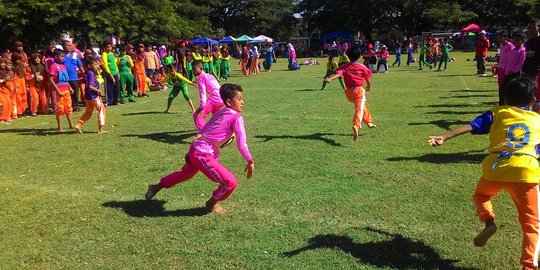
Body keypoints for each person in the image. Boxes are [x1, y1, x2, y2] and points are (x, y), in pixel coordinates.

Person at [427, 77, 540, 270]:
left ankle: (489, 222)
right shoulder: (537, 119)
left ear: (504, 98)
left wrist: (444, 136)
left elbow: (471, 126)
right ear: (532, 101)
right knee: (532, 224)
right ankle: (529, 266)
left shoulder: (497, 113)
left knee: (481, 195)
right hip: (525, 171)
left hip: (494, 168)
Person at [145, 83, 255, 214]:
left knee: (185, 174)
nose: (243, 102)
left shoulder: (222, 112)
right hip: (203, 153)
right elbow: (242, 143)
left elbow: (207, 128)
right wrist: (250, 160)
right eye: (240, 99)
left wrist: (195, 147)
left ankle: (155, 188)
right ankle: (211, 203)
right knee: (230, 182)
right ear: (229, 101)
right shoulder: (236, 117)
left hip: (197, 149)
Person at [324, 45, 376, 141]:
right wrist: (368, 86)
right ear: (360, 56)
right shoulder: (362, 67)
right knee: (359, 108)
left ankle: (368, 121)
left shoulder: (344, 66)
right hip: (358, 90)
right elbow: (367, 78)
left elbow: (338, 74)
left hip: (348, 92)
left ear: (348, 55)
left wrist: (330, 79)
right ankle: (356, 125)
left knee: (361, 105)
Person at [75, 58, 107, 134]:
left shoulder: (87, 72)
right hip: (94, 96)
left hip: (88, 96)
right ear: (89, 65)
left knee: (88, 112)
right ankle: (101, 128)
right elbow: (90, 86)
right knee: (101, 110)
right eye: (95, 64)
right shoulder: (91, 74)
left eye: (97, 64)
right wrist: (98, 91)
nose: (97, 66)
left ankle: (79, 124)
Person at [192, 60, 223, 131]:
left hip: (215, 98)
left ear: (201, 68)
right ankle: (220, 132)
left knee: (197, 116)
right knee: (216, 117)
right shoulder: (209, 75)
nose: (193, 71)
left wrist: (202, 106)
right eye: (193, 69)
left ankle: (205, 135)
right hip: (221, 97)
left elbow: (202, 93)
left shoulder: (201, 77)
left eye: (195, 68)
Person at [49, 49, 75, 132]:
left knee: (68, 107)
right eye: (61, 56)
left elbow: (65, 79)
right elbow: (51, 79)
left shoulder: (63, 66)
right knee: (60, 108)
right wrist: (57, 90)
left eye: (64, 56)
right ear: (56, 56)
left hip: (66, 90)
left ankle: (71, 124)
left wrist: (70, 87)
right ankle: (60, 127)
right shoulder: (53, 66)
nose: (63, 58)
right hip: (59, 90)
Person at [499, 33, 527, 105]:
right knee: (502, 90)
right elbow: (507, 60)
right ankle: (502, 105)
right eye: (514, 40)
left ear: (522, 41)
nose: (515, 41)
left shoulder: (522, 50)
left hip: (515, 74)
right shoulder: (513, 49)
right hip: (507, 73)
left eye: (517, 40)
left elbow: (521, 63)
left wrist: (512, 71)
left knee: (511, 91)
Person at [63, 39, 85, 111]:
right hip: (64, 78)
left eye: (70, 45)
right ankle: (67, 107)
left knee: (75, 93)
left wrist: (85, 74)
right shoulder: (61, 56)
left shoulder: (75, 55)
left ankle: (76, 106)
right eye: (67, 45)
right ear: (63, 46)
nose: (69, 47)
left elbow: (80, 65)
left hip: (74, 78)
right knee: (66, 94)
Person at [101, 42, 120, 106]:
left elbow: (115, 64)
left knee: (116, 88)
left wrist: (118, 73)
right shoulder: (104, 54)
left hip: (115, 73)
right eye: (107, 47)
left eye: (110, 47)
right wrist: (110, 75)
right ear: (104, 48)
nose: (109, 48)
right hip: (109, 74)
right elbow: (105, 65)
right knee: (109, 88)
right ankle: (109, 102)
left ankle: (115, 101)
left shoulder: (112, 54)